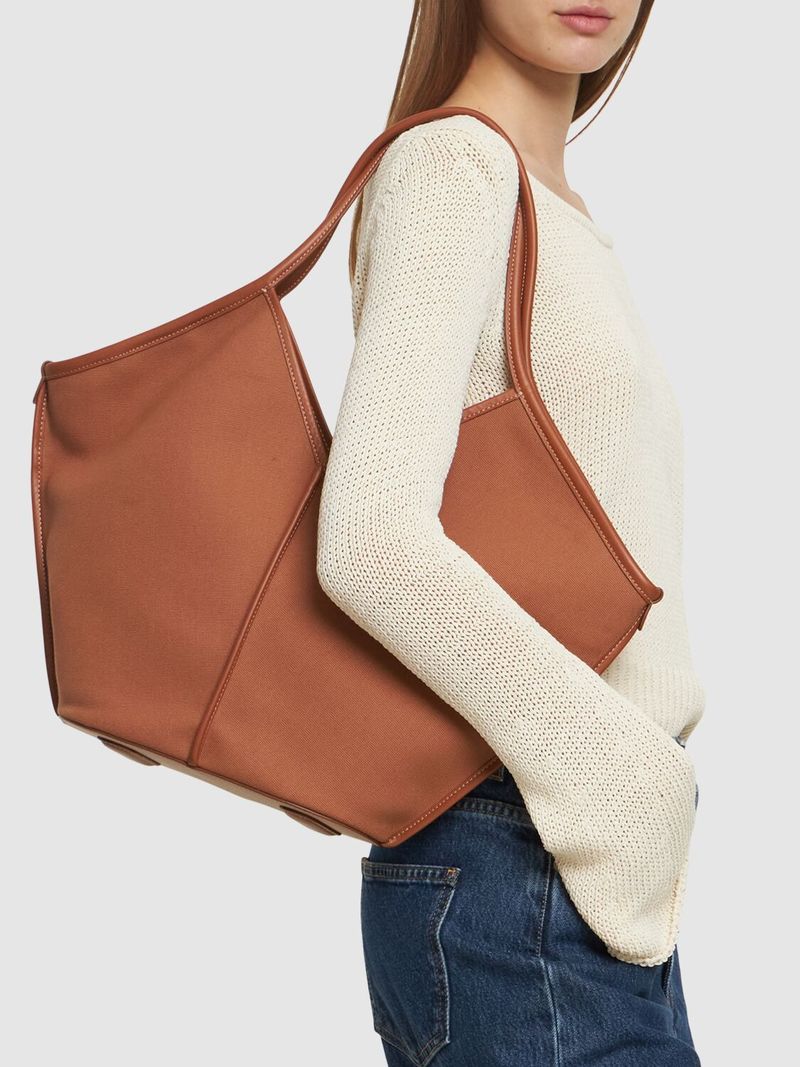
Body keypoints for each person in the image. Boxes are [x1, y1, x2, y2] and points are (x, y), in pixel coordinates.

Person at [315, 1, 705, 1063]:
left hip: (554, 861)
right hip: (517, 850)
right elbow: (369, 537)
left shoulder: (542, 204)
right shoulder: (455, 169)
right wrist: (621, 776)